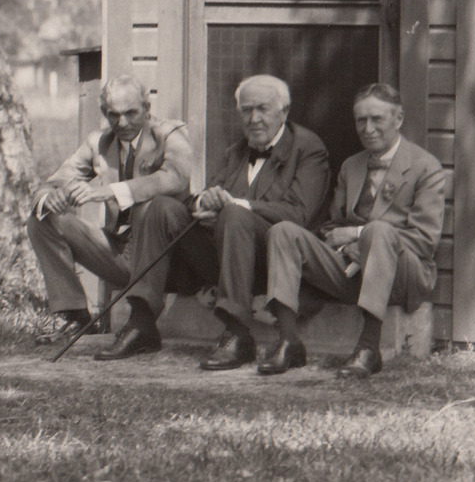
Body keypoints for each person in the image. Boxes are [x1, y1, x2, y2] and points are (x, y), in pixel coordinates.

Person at [113, 75, 330, 368]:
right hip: (228, 261)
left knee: (235, 213)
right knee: (162, 206)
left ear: (285, 111)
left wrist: (236, 204)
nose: (253, 118)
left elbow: (300, 214)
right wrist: (205, 202)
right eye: (246, 110)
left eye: (263, 109)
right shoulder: (236, 152)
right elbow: (203, 199)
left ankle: (238, 333)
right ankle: (142, 323)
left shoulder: (308, 148)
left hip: (277, 264)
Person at [262, 82, 445, 379]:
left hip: (404, 273)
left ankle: (369, 347)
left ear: (398, 119)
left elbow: (424, 242)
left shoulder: (425, 167)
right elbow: (334, 226)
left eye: (377, 119)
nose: (368, 128)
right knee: (283, 231)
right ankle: (289, 341)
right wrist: (349, 244)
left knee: (379, 231)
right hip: (352, 269)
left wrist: (362, 236)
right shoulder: (352, 166)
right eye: (361, 120)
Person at [26, 75, 197, 338]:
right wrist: (51, 197)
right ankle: (77, 318)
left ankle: (141, 323)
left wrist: (106, 192)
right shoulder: (100, 143)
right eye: (114, 115)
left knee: (148, 207)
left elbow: (174, 178)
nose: (123, 122)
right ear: (105, 113)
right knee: (43, 220)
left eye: (131, 113)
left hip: (166, 259)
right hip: (122, 253)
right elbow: (51, 183)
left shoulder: (170, 133)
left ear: (147, 108)